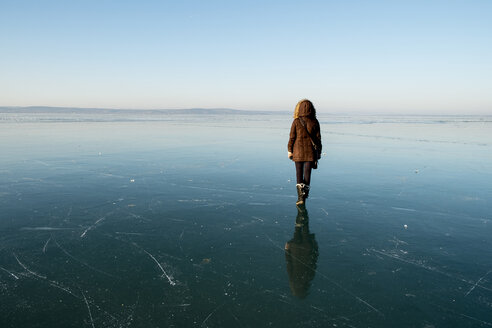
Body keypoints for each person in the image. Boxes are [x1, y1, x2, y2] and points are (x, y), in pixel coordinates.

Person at [287, 99, 322, 205]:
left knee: (299, 173)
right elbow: (318, 139)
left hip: (297, 152)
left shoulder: (296, 121)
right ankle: (305, 196)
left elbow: (292, 137)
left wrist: (289, 150)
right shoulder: (315, 122)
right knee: (307, 174)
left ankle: (300, 198)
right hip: (310, 153)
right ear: (312, 109)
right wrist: (319, 152)